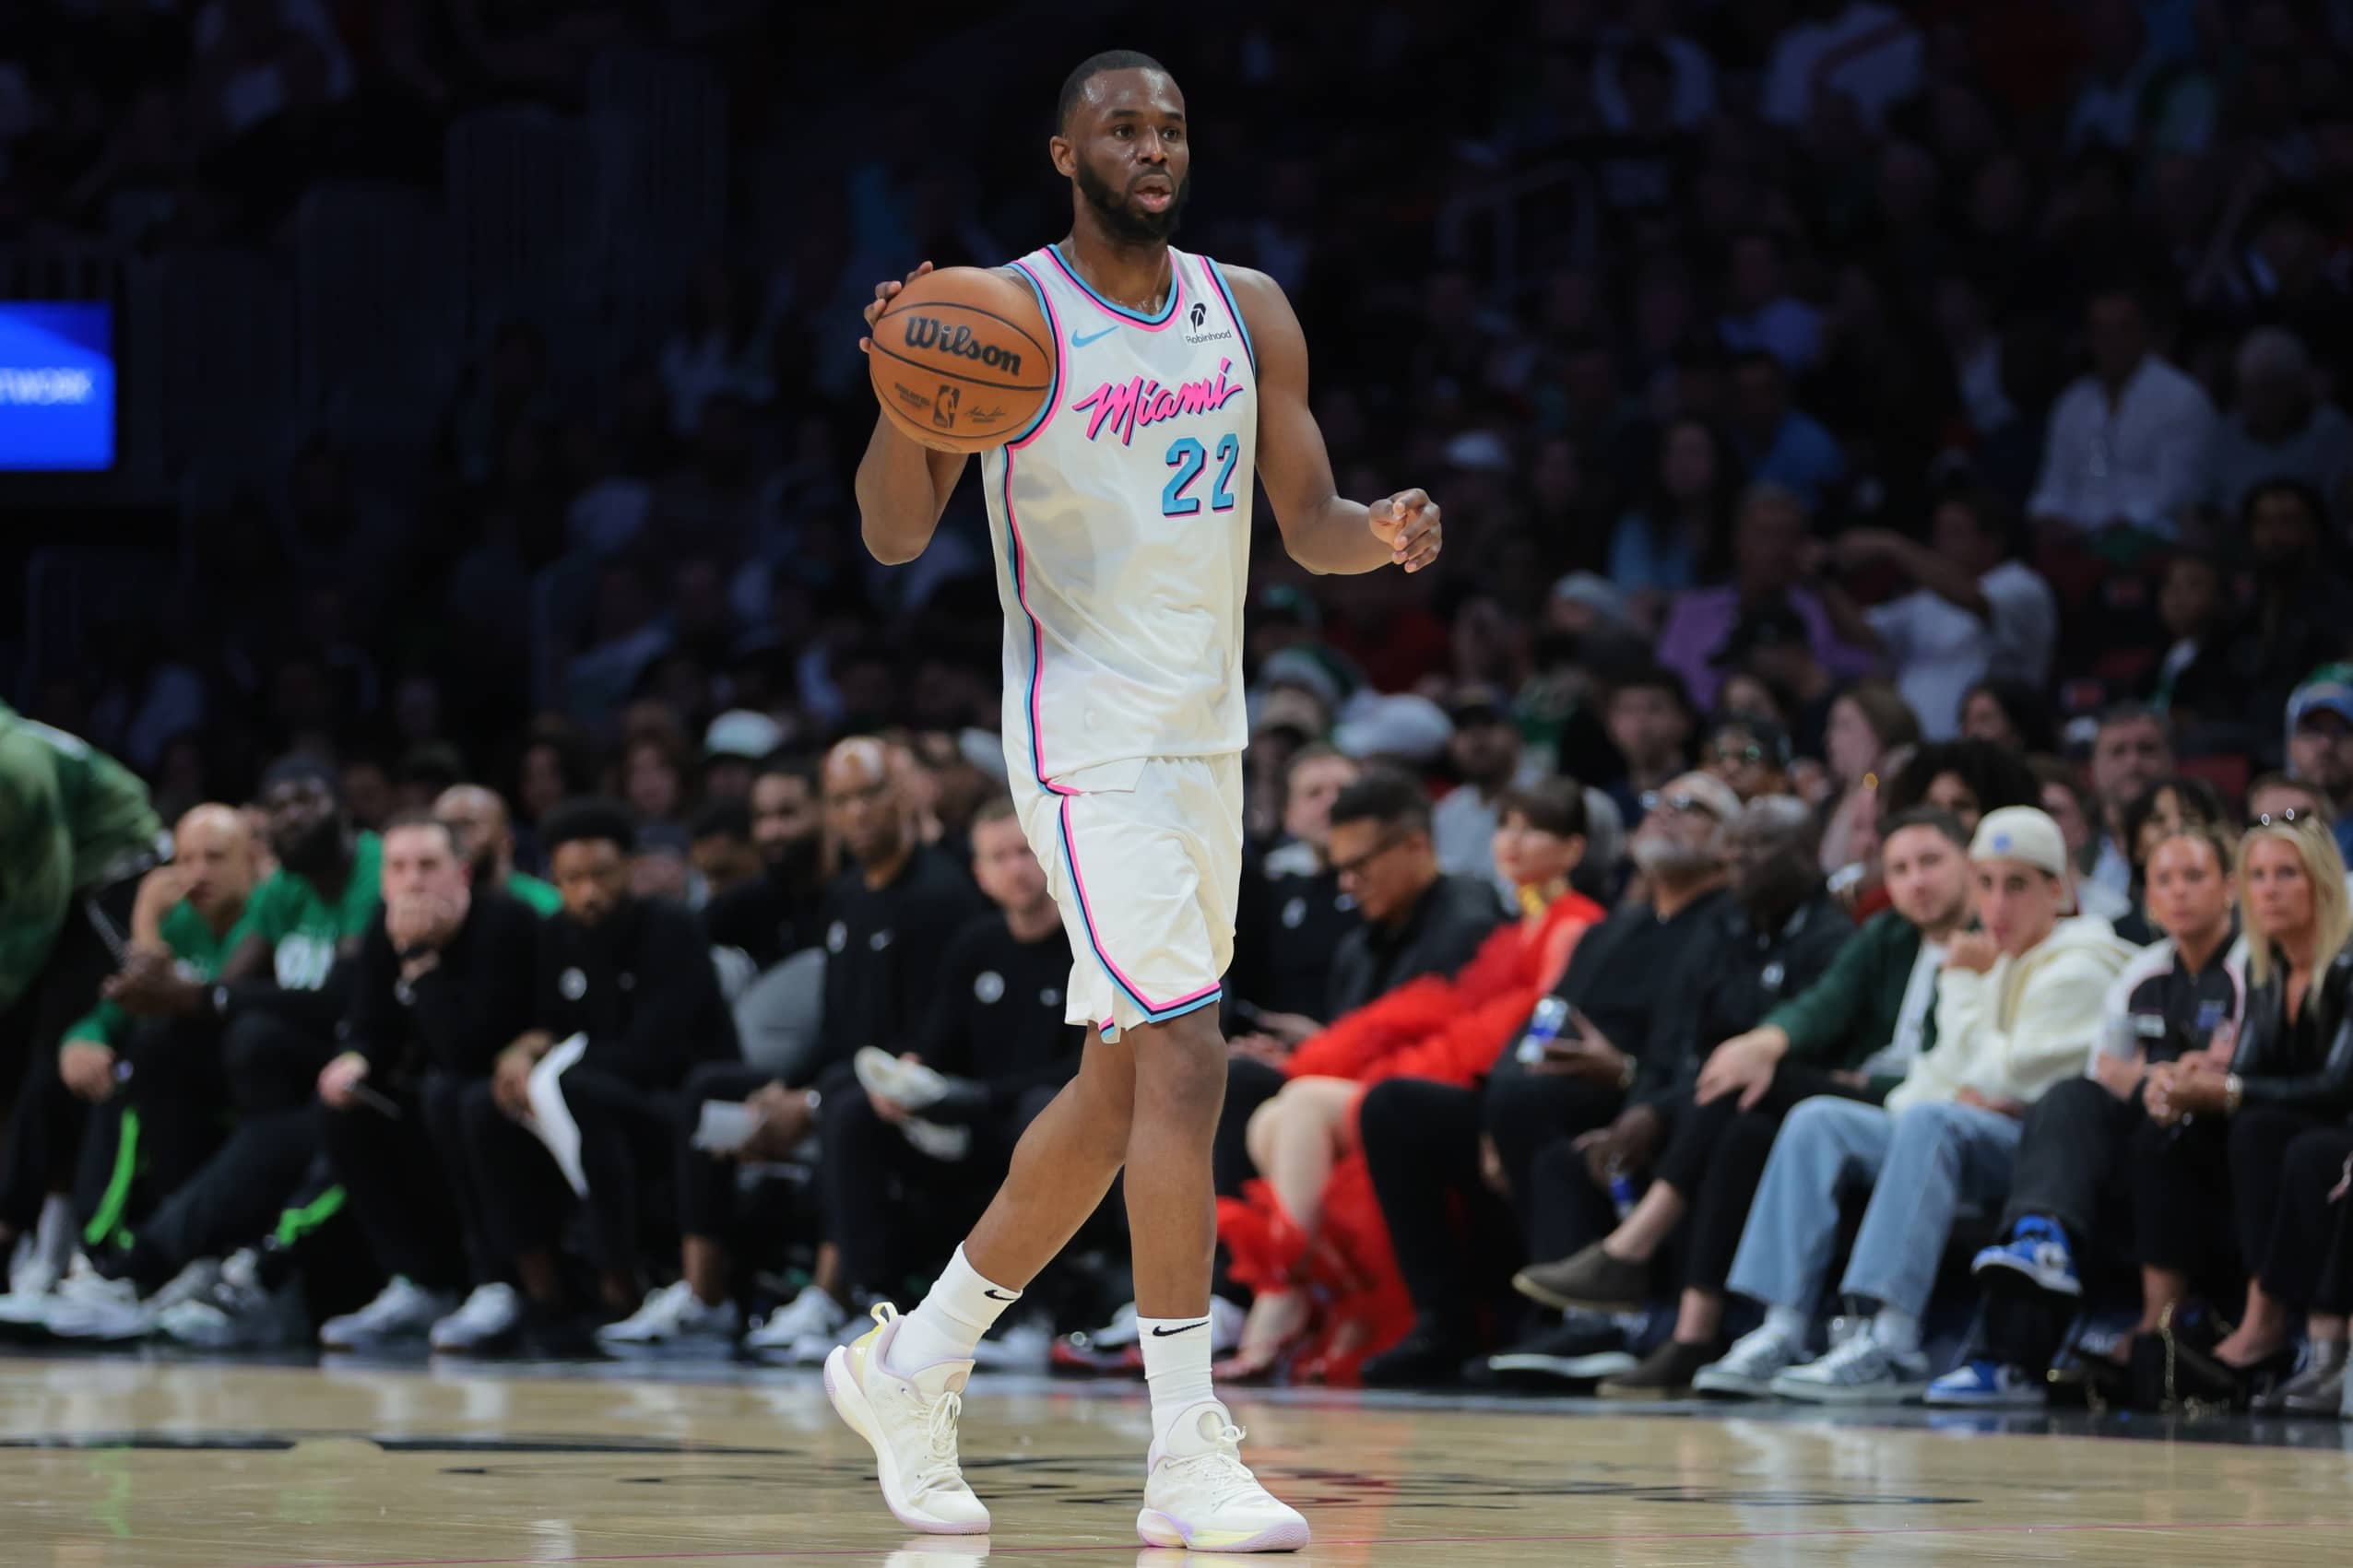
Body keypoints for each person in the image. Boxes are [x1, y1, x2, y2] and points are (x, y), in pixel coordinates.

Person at [830, 49, 1443, 1550]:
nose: (1152, 145)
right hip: (1080, 733)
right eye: (1121, 125)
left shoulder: (1249, 310)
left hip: (1203, 740)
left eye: (1170, 126)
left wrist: (1388, 532)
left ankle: (914, 1362)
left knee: (1116, 1094)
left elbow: (1308, 525)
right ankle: (1185, 1452)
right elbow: (894, 535)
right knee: (1185, 1063)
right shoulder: (1005, 312)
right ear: (1063, 152)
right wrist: (907, 391)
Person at [1510, 808, 1974, 1395]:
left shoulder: (1980, 937)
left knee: (1756, 1088)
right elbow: (1820, 1007)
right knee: (1742, 1115)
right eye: (1901, 868)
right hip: (1864, 1106)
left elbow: (1962, 1065)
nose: (1916, 882)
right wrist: (1763, 1042)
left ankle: (1633, 1253)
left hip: (1922, 1111)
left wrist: (1845, 1079)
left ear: (1968, 863)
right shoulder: (1888, 934)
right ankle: (1722, 1331)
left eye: (1931, 863)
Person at [1694, 807, 2134, 1401]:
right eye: (1985, 884)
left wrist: (1958, 989)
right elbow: (1942, 1074)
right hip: (1966, 1129)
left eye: (2018, 885)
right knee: (1820, 1119)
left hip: (2038, 1159)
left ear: (2057, 889)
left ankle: (1892, 1342)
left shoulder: (2083, 960)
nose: (1997, 905)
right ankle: (1783, 1326)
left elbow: (2003, 1076)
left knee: (1928, 1121)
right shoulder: (1998, 959)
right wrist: (1950, 1096)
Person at [1358, 772, 1738, 1385]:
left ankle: (1583, 1321)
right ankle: (1445, 1321)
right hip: (1535, 1099)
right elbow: (1538, 1022)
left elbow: (1700, 1051)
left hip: (1642, 1104)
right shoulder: (1614, 926)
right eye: (1659, 803)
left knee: (1529, 1100)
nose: (1666, 813)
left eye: (1692, 807)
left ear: (1729, 846)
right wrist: (1486, 1118)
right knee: (1394, 1106)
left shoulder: (1725, 928)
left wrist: (1627, 1073)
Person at [1216, 780, 1602, 1380]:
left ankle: (1284, 1290)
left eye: (1535, 829)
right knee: (1272, 1112)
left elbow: (1530, 1028)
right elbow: (1436, 1018)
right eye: (1506, 825)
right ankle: (1327, 1303)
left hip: (1493, 1091)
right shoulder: (1513, 927)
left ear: (1573, 848)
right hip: (1459, 1080)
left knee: (1307, 1104)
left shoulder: (1562, 924)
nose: (1513, 842)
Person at [1930, 820, 2244, 1407]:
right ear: (2147, 897)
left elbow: (2233, 1072)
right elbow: (2108, 1072)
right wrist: (2158, 1079)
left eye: (2194, 876)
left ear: (2229, 887)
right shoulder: (2142, 973)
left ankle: (2148, 1332)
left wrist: (2163, 1080)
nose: (2179, 891)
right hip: (2147, 1141)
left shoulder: (2248, 965)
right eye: (2165, 879)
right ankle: (2038, 1247)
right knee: (2070, 1097)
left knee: (2150, 1134)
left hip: (2224, 1144)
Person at [461, 799, 739, 1345]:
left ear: (630, 871)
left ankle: (621, 1285)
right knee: (482, 1103)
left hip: (677, 1098)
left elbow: (658, 1051)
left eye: (601, 875)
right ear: (554, 880)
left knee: (579, 1088)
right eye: (573, 879)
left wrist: (562, 1057)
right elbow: (546, 1023)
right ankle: (539, 1290)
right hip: (586, 1096)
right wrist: (521, 1051)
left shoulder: (669, 926)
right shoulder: (554, 934)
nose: (588, 892)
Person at [2136, 818, 2353, 1402]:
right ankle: (2173, 1321)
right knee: (2201, 1135)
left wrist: (2230, 1091)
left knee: (2292, 1144)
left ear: (2322, 882)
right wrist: (2188, 1078)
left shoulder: (2347, 961)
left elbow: (2339, 1085)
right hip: (2297, 1125)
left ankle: (2288, 1330)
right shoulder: (2268, 967)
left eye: (2287, 873)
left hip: (2342, 1127)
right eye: (2257, 875)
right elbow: (2250, 1075)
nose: (2270, 889)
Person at [309, 812, 540, 1350]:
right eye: (398, 868)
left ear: (461, 872)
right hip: (435, 1111)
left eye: (428, 866)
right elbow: (370, 1028)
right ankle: (417, 1282)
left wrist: (419, 961)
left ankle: (497, 1283)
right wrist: (355, 1061)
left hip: (503, 1108)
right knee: (343, 1104)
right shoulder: (381, 925)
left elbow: (468, 1051)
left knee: (454, 1097)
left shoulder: (505, 922)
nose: (413, 881)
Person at [0, 702, 165, 1298]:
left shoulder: (14, 766)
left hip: (113, 882)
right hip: (56, 893)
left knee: (59, 1048)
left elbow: (36, 904)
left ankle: (45, 1247)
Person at [1815, 490, 2056, 739]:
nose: (1941, 543)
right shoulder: (1927, 599)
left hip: (1990, 750)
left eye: (1955, 533)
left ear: (1992, 541)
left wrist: (1893, 546)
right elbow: (1859, 631)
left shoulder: (2021, 585)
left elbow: (1972, 599)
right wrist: (1822, 579)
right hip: (1919, 750)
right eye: (1939, 532)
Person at [704, 752, 829, 971]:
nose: (771, 832)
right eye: (761, 817)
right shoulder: (745, 903)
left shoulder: (858, 894)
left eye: (787, 814)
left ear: (825, 811)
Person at [2086, 705, 2175, 900]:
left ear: (2170, 759)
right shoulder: (2075, 856)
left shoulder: (2197, 853)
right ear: (2094, 767)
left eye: (2146, 749)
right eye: (2118, 751)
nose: (2133, 762)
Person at [432, 784, 561, 915]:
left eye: (467, 825)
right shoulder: (428, 906)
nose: (456, 837)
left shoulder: (544, 905)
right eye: (447, 827)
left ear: (505, 838)